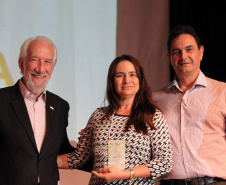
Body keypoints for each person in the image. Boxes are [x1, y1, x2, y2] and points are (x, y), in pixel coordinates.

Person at [57, 54, 173, 184]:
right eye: (120, 75)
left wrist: (125, 174)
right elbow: (78, 158)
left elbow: (164, 162)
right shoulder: (98, 116)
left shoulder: (153, 116)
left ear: (140, 79)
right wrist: (42, 161)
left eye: (132, 74)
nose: (126, 80)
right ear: (112, 81)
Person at [153, 25, 226, 185]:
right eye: (176, 52)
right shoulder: (156, 99)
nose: (183, 56)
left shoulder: (223, 92)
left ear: (201, 52)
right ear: (169, 57)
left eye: (189, 49)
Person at [0, 36, 75, 185]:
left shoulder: (60, 106)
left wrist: (95, 147)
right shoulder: (2, 100)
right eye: (35, 59)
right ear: (21, 64)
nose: (41, 68)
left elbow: (60, 150)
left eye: (47, 61)